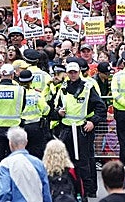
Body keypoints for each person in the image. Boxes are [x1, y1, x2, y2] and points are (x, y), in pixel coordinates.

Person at [51, 61, 107, 199]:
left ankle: (87, 191)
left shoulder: (87, 87)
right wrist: (58, 112)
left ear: (79, 72)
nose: (72, 75)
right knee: (65, 161)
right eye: (70, 72)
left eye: (75, 72)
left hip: (82, 130)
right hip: (66, 129)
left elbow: (101, 108)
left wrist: (92, 122)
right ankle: (67, 188)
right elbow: (54, 107)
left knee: (84, 163)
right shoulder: (62, 88)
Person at [0, 64, 25, 200]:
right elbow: (22, 107)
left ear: (0, 75)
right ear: (13, 75)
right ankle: (14, 191)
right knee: (15, 162)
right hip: (14, 130)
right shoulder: (20, 91)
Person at [0, 126, 53, 202]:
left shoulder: (6, 164)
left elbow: (4, 192)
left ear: (10, 143)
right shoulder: (38, 163)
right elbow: (46, 193)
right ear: (26, 142)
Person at [18, 70, 50, 159]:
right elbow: (46, 110)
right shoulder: (37, 95)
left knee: (21, 153)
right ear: (31, 80)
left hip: (20, 127)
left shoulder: (17, 94)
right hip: (35, 127)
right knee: (36, 154)